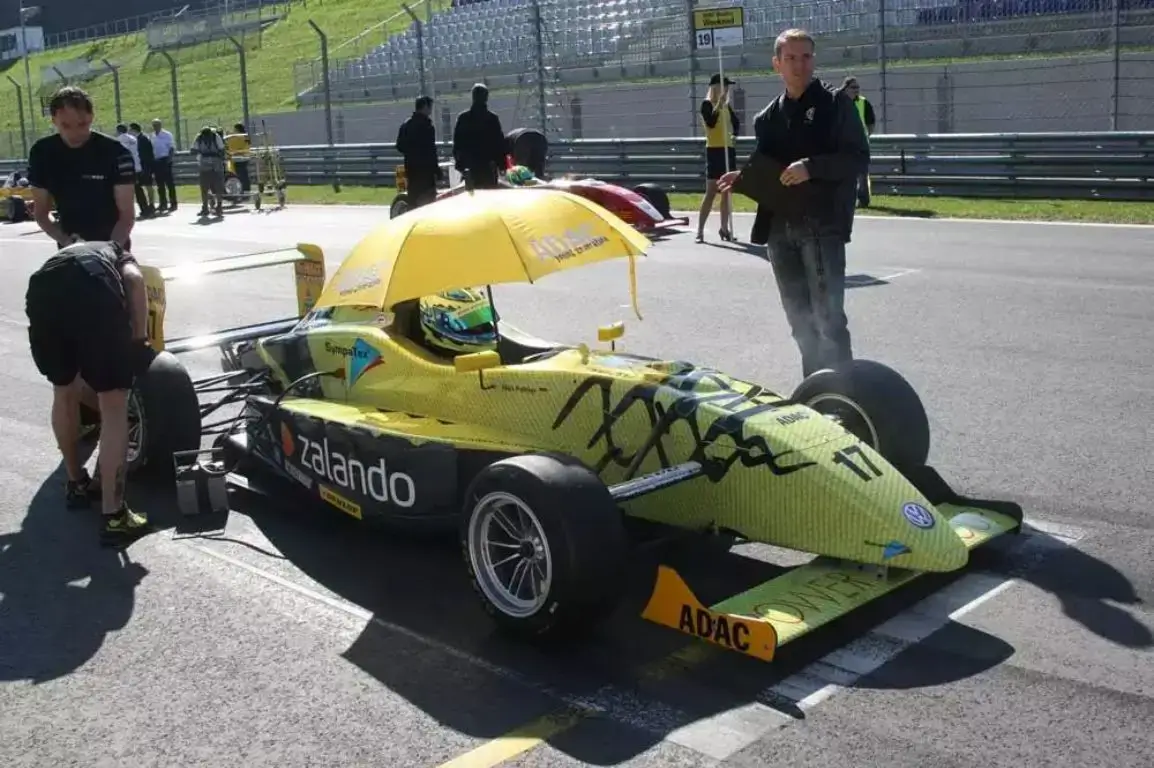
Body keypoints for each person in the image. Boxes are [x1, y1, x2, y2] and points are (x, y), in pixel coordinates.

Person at [718, 29, 870, 378]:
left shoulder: (836, 104)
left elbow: (858, 157)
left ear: (814, 60)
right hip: (779, 230)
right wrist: (742, 178)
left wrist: (811, 167)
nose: (799, 65)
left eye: (806, 57)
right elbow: (770, 170)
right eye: (791, 58)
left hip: (822, 226)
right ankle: (815, 395)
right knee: (799, 321)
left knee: (828, 319)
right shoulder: (766, 118)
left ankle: (846, 398)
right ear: (777, 64)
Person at [25, 239, 154, 541]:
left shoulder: (66, 253)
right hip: (90, 287)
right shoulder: (118, 251)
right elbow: (135, 280)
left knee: (63, 390)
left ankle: (75, 482)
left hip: (42, 290)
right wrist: (139, 340)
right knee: (114, 403)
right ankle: (114, 515)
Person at [27, 86, 136, 252]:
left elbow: (126, 216)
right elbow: (41, 213)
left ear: (91, 117)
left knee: (131, 276)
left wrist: (110, 249)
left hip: (114, 242)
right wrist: (66, 241)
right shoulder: (41, 152)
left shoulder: (117, 153)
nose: (75, 133)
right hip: (70, 245)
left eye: (82, 124)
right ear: (53, 120)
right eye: (66, 125)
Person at [696, 73, 740, 243]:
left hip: (728, 149)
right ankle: (700, 231)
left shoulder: (727, 106)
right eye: (724, 85)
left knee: (727, 192)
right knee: (711, 191)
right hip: (714, 150)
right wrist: (718, 105)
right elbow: (711, 123)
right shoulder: (707, 105)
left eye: (728, 86)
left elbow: (736, 123)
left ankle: (724, 228)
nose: (727, 89)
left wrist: (734, 135)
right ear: (715, 87)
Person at [452, 83, 506, 190]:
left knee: (471, 199)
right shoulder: (492, 119)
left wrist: (460, 164)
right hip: (488, 168)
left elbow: (457, 144)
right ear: (486, 98)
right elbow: (499, 144)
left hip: (470, 167)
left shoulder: (463, 118)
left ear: (473, 97)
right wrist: (502, 165)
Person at [396, 96, 443, 208]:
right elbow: (431, 150)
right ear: (425, 107)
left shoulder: (406, 125)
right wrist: (437, 170)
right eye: (430, 107)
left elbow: (399, 146)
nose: (431, 110)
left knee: (413, 200)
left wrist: (411, 153)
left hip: (412, 169)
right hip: (426, 172)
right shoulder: (427, 126)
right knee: (428, 202)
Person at [842, 76, 876, 208]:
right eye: (853, 87)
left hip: (860, 145)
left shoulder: (863, 102)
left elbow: (871, 123)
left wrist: (865, 136)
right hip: (844, 145)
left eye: (858, 88)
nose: (856, 90)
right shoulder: (838, 103)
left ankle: (863, 201)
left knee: (862, 174)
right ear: (845, 88)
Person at [115, 123, 154, 219]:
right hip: (137, 167)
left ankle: (126, 213)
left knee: (125, 191)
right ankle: (145, 209)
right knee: (138, 190)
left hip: (126, 168)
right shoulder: (133, 139)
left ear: (119, 131)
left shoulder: (119, 140)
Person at [190, 125, 226, 218]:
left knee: (218, 186)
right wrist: (198, 151)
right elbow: (192, 150)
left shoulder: (216, 137)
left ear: (211, 134)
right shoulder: (199, 138)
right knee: (204, 187)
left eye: (208, 135)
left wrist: (217, 156)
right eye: (205, 136)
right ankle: (205, 207)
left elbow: (222, 150)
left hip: (216, 164)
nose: (207, 137)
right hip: (204, 164)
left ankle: (219, 206)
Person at [129, 123, 158, 216]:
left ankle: (151, 204)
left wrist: (149, 167)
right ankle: (146, 205)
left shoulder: (143, 139)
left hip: (146, 166)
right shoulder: (134, 140)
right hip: (140, 166)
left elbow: (148, 154)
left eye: (131, 130)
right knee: (140, 187)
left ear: (134, 130)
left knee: (149, 186)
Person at [150, 118, 177, 212]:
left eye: (157, 125)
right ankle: (163, 203)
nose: (155, 127)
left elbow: (172, 148)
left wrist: (169, 160)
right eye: (154, 125)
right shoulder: (152, 136)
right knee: (159, 184)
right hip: (156, 161)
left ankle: (173, 203)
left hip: (165, 160)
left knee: (169, 183)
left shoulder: (167, 135)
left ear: (160, 125)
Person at [224, 122, 252, 195]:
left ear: (237, 129)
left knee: (238, 175)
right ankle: (246, 189)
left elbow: (228, 146)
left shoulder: (235, 137)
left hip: (237, 159)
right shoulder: (246, 136)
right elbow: (248, 146)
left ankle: (241, 190)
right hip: (244, 158)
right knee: (244, 175)